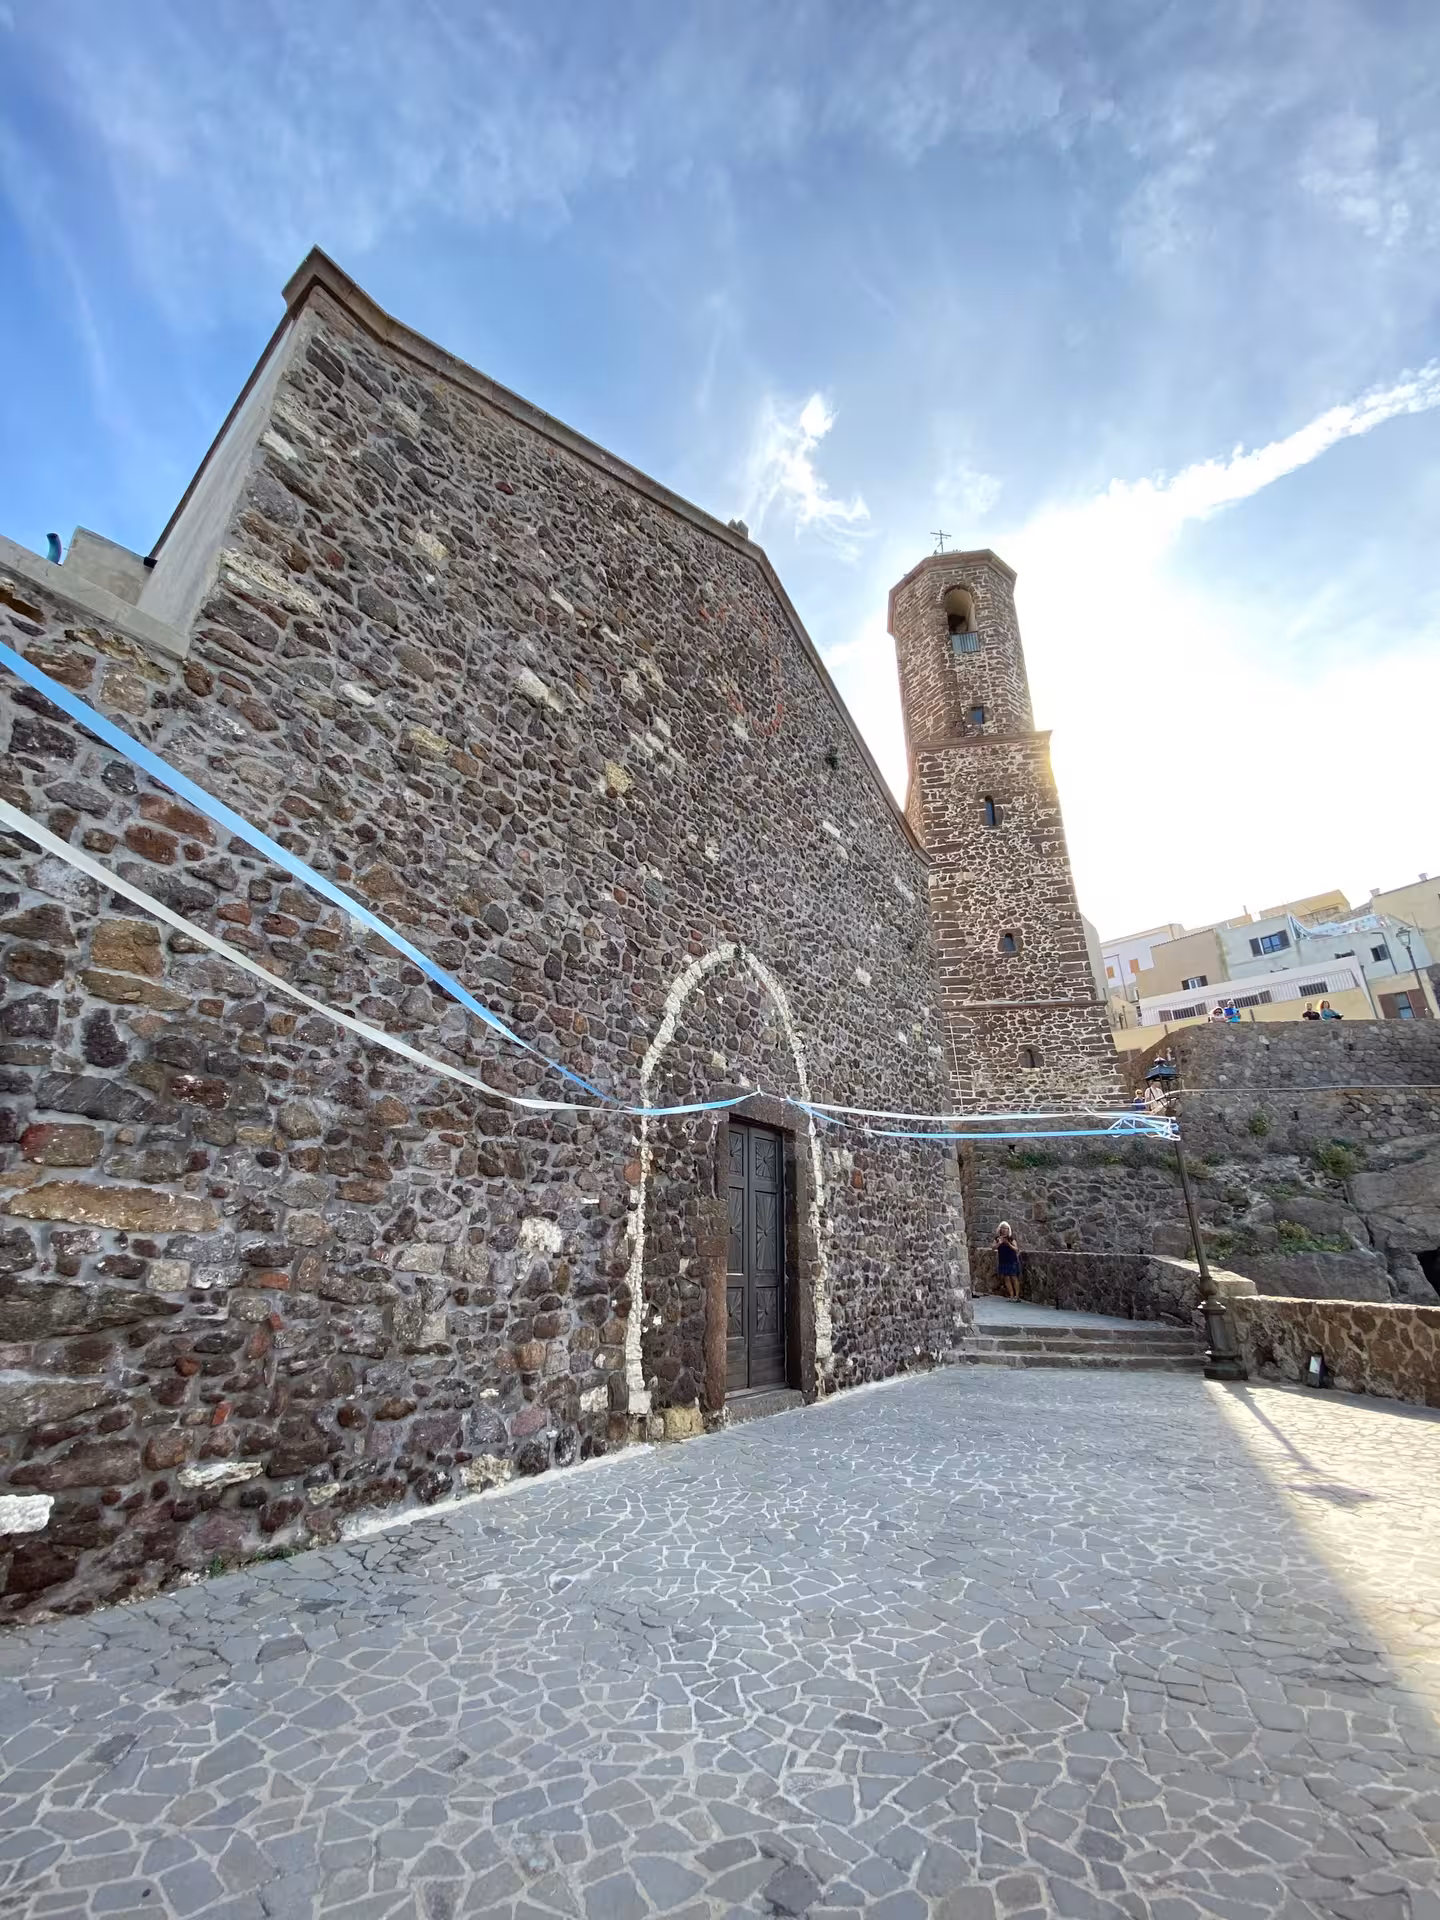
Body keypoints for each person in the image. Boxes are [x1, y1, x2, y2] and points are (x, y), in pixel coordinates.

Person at [995, 1222, 1022, 1300]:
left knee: (1014, 1277)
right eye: (1003, 1228)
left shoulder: (1011, 1238)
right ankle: (1011, 1295)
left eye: (1006, 1228)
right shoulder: (997, 1238)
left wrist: (1008, 1244)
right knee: (1006, 1278)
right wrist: (999, 1244)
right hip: (1003, 1260)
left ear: (1008, 1229)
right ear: (1000, 1229)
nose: (1004, 1230)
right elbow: (993, 1247)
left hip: (1011, 1260)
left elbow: (1016, 1249)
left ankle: (1017, 1296)